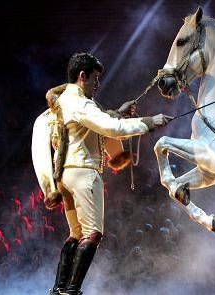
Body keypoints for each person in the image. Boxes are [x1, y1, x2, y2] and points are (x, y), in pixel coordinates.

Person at [34, 52, 172, 295]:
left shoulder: (64, 102)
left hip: (65, 177)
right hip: (84, 174)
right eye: (95, 79)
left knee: (76, 233)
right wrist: (149, 121)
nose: (98, 85)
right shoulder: (79, 103)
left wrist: (118, 111)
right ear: (82, 76)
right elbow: (111, 128)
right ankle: (72, 290)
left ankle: (59, 290)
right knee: (93, 234)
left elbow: (96, 122)